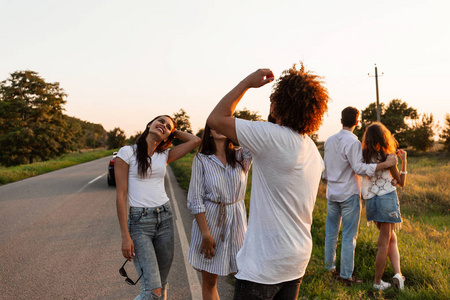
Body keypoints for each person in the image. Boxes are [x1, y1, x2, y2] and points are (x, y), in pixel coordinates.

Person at [207, 63, 329, 300]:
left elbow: (216, 119)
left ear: (279, 105)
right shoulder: (312, 149)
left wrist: (247, 83)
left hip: (265, 262)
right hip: (296, 257)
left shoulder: (272, 137)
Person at [115, 115, 201, 300]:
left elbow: (195, 140)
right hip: (140, 224)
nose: (163, 125)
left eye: (168, 126)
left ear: (168, 138)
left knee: (161, 285)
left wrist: (171, 132)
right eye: (160, 121)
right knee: (152, 291)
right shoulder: (126, 152)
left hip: (165, 220)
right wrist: (125, 236)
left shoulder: (165, 155)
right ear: (149, 124)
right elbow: (121, 196)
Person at [322, 107, 398, 284]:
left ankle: (328, 269)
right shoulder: (354, 142)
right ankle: (346, 276)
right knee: (349, 236)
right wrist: (384, 164)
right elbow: (359, 169)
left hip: (332, 193)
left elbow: (325, 170)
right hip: (348, 194)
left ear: (341, 120)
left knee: (331, 234)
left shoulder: (329, 141)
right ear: (357, 122)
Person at [187, 124, 252, 300]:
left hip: (238, 221)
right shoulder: (201, 159)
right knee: (209, 282)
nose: (219, 127)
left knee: (246, 277)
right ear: (208, 131)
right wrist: (206, 235)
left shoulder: (242, 155)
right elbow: (195, 200)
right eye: (214, 125)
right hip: (211, 222)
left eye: (222, 123)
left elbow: (257, 139)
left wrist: (234, 129)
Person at [360, 122, 407, 291]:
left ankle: (398, 275)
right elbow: (401, 182)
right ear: (384, 137)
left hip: (371, 202)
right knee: (383, 244)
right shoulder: (388, 157)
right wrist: (404, 162)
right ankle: (377, 281)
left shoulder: (365, 157)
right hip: (386, 200)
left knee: (390, 238)